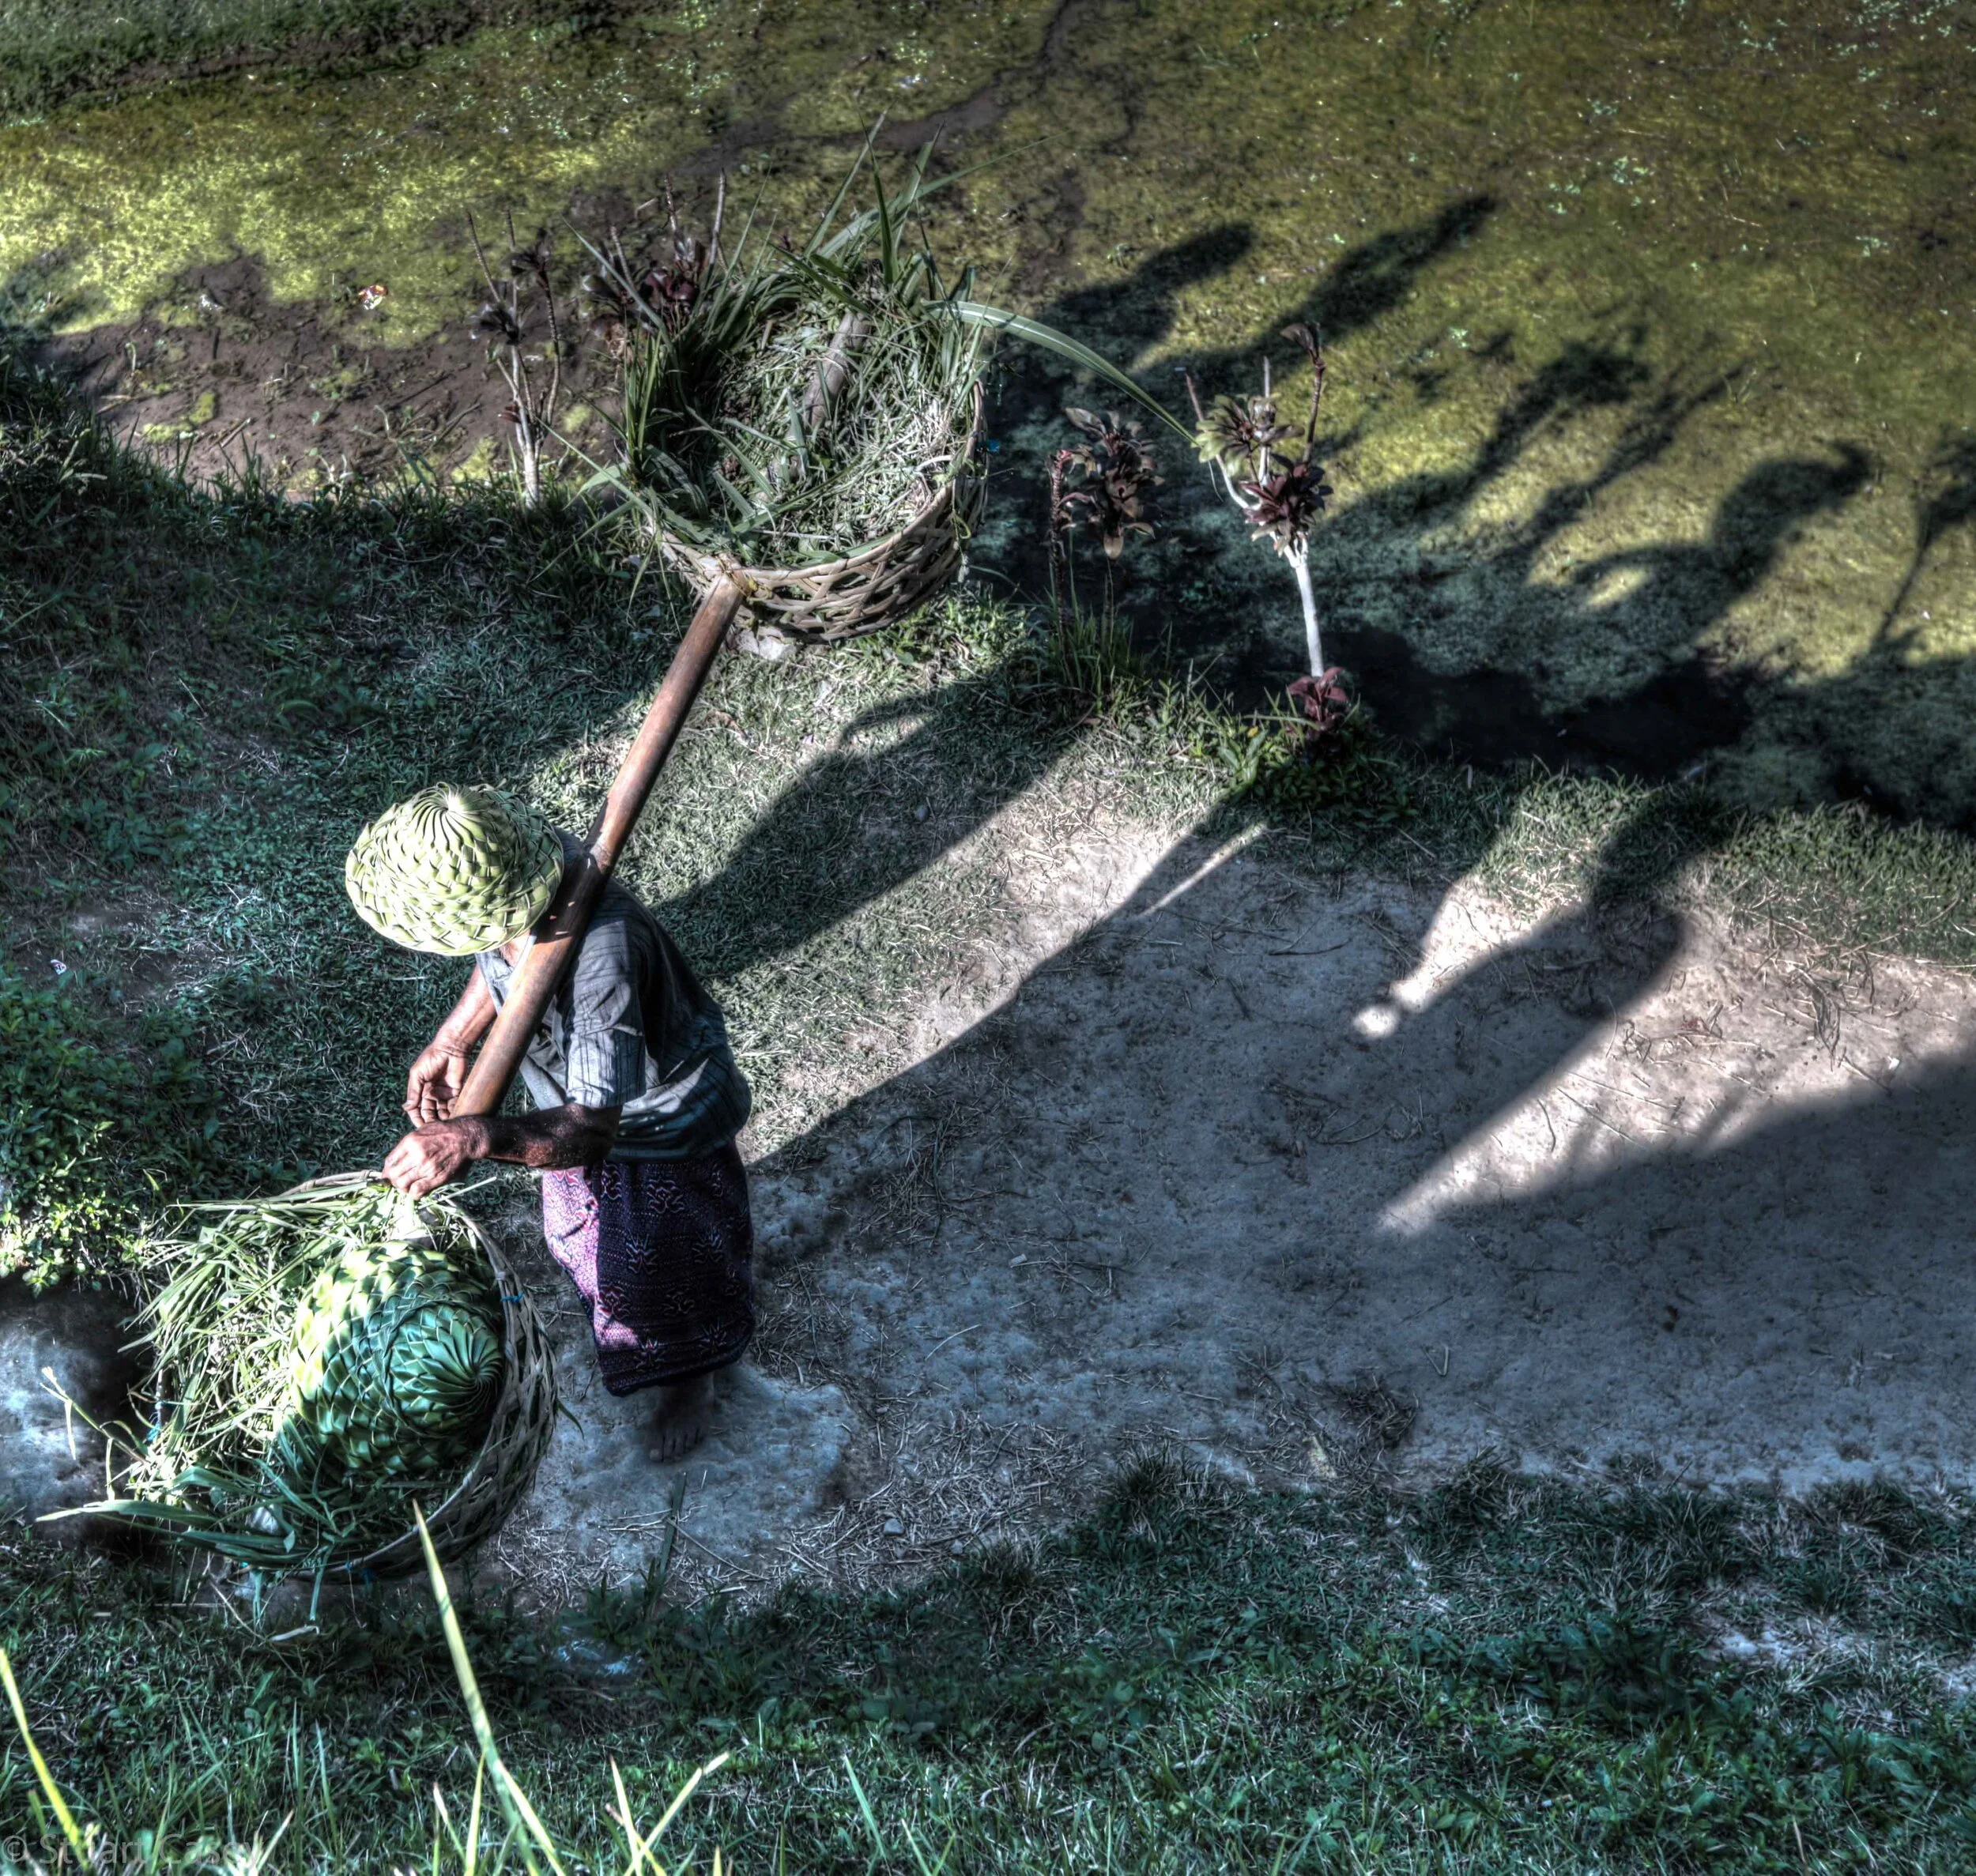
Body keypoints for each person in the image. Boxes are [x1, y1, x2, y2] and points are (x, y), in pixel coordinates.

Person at [344, 783, 752, 1460]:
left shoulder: (602, 962)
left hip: (654, 1120)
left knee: (666, 1266)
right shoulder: (520, 877)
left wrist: (474, 1135)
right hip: (568, 1100)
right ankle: (635, 1319)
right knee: (584, 1237)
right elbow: (498, 957)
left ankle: (691, 1378)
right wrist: (453, 1040)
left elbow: (592, 1130)